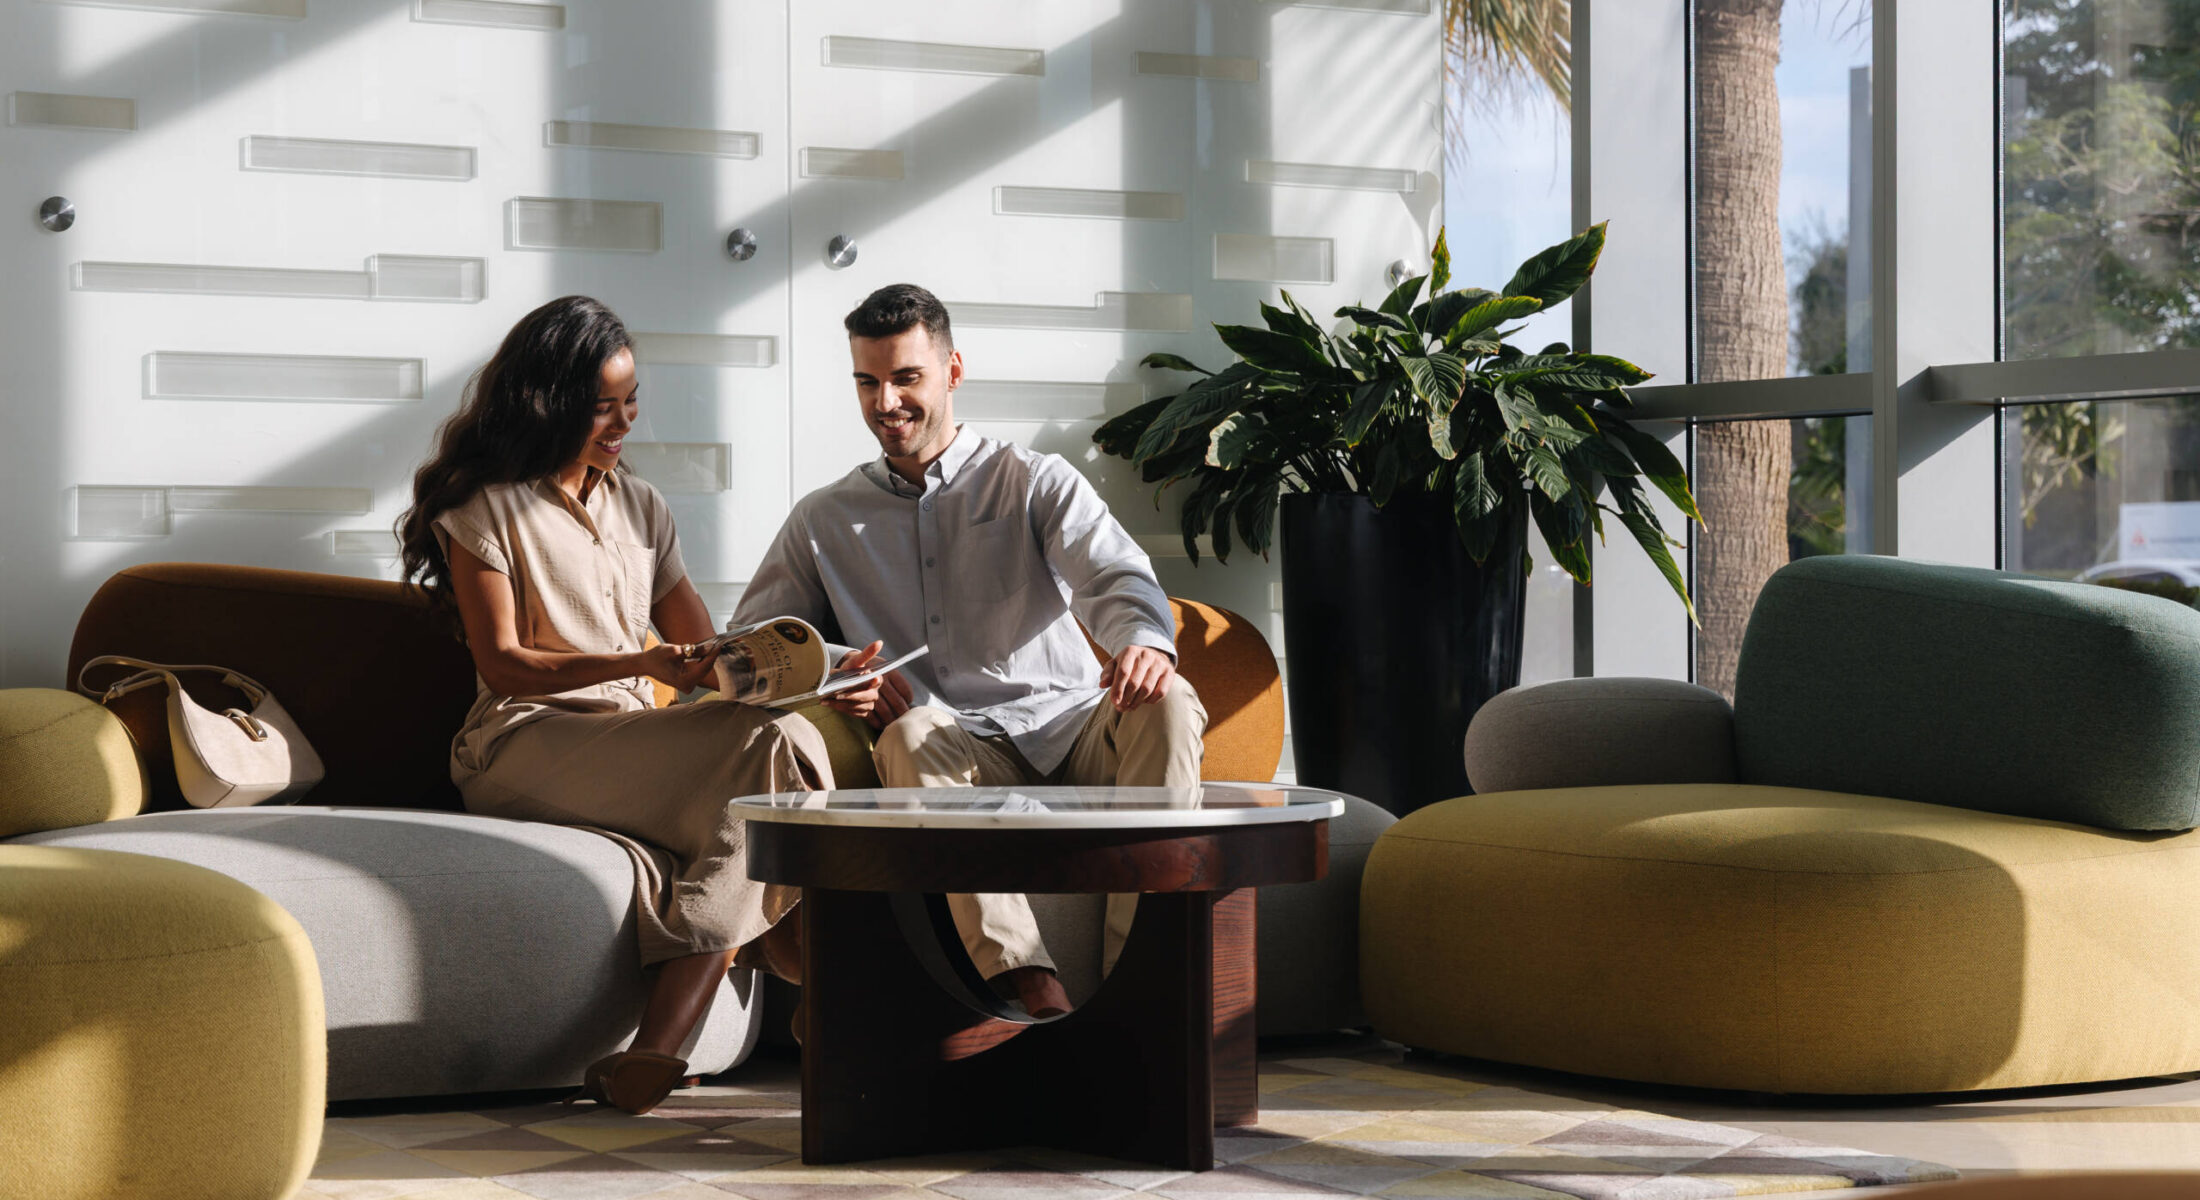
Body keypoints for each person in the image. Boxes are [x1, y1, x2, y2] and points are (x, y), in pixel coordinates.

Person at [396, 295, 888, 1114]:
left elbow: (711, 659)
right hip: (524, 740)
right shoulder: (482, 506)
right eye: (602, 407)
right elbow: (506, 664)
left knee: (784, 741)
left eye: (631, 403)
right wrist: (643, 660)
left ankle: (661, 1050)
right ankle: (803, 984)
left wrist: (826, 670)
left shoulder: (643, 506)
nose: (622, 423)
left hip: (637, 738)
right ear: (546, 403)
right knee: (769, 768)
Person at [735, 283, 1209, 1019]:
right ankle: (1028, 985)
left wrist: (1145, 643)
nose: (885, 401)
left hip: (1074, 730)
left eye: (906, 378)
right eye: (867, 381)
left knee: (1170, 701)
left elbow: (1114, 574)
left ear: (953, 370)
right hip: (954, 752)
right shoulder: (822, 520)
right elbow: (756, 651)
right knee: (910, 730)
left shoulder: (1034, 480)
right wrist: (830, 679)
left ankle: (1141, 981)